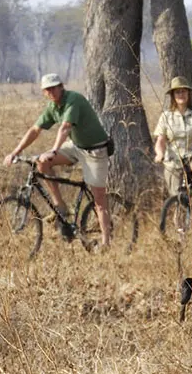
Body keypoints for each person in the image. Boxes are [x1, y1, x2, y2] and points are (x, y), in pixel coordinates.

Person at [6, 73, 113, 246]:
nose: (52, 92)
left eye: (54, 87)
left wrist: (54, 150)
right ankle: (60, 207)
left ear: (61, 87)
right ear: (44, 92)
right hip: (77, 146)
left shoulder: (73, 100)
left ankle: (106, 242)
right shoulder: (52, 107)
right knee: (42, 163)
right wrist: (15, 152)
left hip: (95, 150)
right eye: (48, 89)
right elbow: (35, 130)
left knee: (99, 200)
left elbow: (65, 128)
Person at [152, 76, 192, 196]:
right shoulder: (166, 116)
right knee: (177, 197)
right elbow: (160, 140)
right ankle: (185, 212)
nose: (181, 94)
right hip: (173, 160)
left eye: (184, 91)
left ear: (188, 94)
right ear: (173, 96)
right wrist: (159, 153)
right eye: (177, 92)